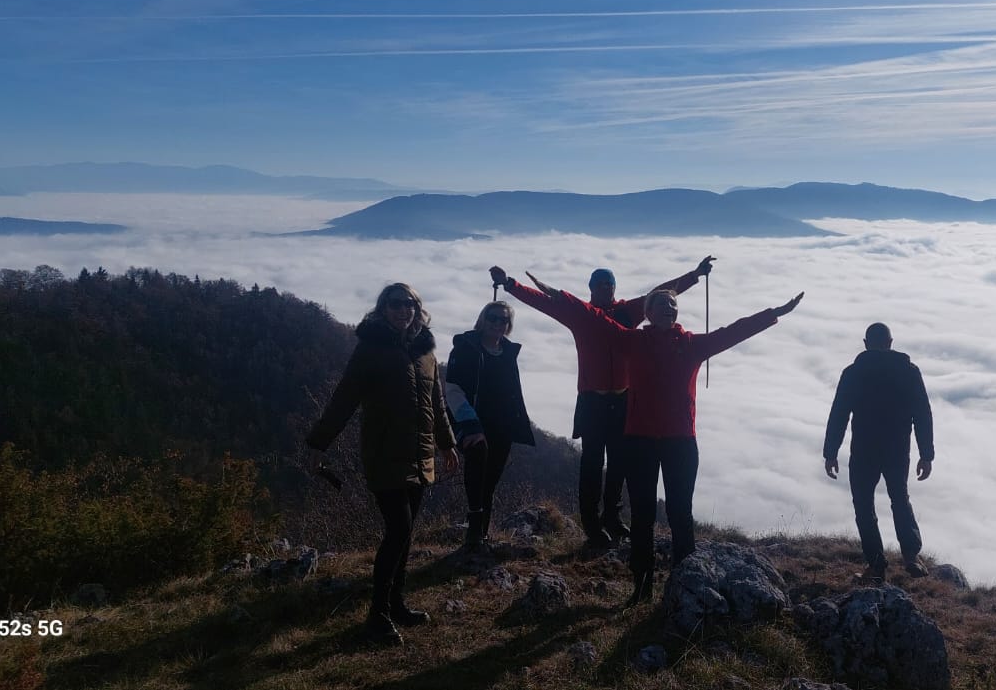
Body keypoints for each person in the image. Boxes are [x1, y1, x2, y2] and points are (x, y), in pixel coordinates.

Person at [490, 257, 714, 548]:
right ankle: (592, 524)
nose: (604, 288)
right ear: (591, 289)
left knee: (619, 463)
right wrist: (510, 284)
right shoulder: (581, 315)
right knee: (592, 463)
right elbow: (544, 302)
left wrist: (694, 275)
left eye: (608, 284)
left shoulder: (628, 311)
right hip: (592, 402)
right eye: (599, 285)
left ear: (613, 288)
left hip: (623, 400)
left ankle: (612, 517)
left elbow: (661, 295)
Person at [306, 283, 461, 645]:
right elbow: (344, 398)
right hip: (384, 455)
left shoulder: (426, 351)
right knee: (397, 531)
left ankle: (396, 603)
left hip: (420, 456)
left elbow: (437, 404)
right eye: (395, 304)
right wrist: (318, 443)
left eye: (408, 304)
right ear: (383, 308)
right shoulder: (369, 350)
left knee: (405, 535)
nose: (402, 310)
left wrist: (447, 444)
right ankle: (377, 615)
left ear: (417, 309)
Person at [823, 322, 935, 584]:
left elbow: (839, 413)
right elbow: (922, 414)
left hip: (864, 449)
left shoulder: (853, 373)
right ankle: (911, 556)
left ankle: (876, 564)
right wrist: (926, 454)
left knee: (863, 506)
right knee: (900, 498)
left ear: (865, 343)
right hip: (897, 449)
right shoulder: (909, 372)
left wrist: (830, 452)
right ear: (890, 342)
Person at [444, 300, 535, 553]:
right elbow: (452, 390)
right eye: (493, 318)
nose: (497, 323)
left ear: (509, 325)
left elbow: (512, 391)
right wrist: (470, 423)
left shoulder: (507, 352)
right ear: (483, 319)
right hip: (470, 421)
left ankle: (481, 533)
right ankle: (474, 528)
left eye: (503, 320)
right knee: (477, 459)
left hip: (502, 425)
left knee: (491, 479)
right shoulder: (465, 348)